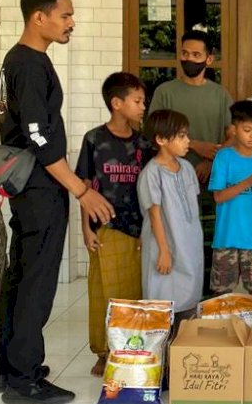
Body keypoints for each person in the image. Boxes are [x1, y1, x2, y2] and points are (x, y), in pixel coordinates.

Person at [0, 0, 113, 404]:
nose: (71, 23)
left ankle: (9, 366)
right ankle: (23, 378)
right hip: (41, 188)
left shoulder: (25, 59)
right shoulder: (27, 63)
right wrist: (81, 190)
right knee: (36, 282)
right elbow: (38, 139)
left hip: (35, 187)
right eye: (65, 15)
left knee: (21, 275)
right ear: (38, 17)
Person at [76, 72, 152, 377]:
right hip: (104, 227)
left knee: (133, 290)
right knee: (102, 290)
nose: (142, 106)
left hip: (138, 228)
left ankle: (129, 346)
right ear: (116, 103)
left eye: (143, 101)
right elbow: (84, 184)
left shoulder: (144, 143)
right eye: (137, 101)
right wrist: (85, 227)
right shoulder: (94, 139)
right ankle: (103, 349)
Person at [148, 29, 233, 295]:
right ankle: (179, 306)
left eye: (196, 54)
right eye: (185, 53)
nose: (189, 59)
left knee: (208, 246)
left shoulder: (220, 95)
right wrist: (196, 145)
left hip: (211, 183)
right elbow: (154, 133)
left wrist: (213, 161)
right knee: (175, 244)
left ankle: (207, 307)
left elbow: (232, 136)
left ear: (209, 59)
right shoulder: (165, 92)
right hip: (172, 182)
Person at [137, 110, 204, 325]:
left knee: (189, 302)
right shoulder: (152, 173)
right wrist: (164, 252)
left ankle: (183, 353)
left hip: (189, 244)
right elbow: (154, 214)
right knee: (163, 302)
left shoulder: (186, 168)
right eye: (181, 136)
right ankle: (163, 354)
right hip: (164, 245)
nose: (188, 141)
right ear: (161, 139)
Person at [208, 101, 252, 297]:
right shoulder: (224, 157)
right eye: (247, 130)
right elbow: (219, 196)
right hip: (227, 238)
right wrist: (248, 182)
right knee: (221, 296)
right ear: (234, 129)